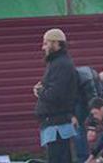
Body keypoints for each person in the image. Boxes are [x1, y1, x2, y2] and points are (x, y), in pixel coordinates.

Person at [33, 29, 78, 163]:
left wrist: (40, 91)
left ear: (56, 43)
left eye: (46, 43)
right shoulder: (57, 63)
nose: (43, 47)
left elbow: (55, 94)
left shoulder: (61, 64)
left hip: (56, 122)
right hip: (54, 122)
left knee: (58, 157)